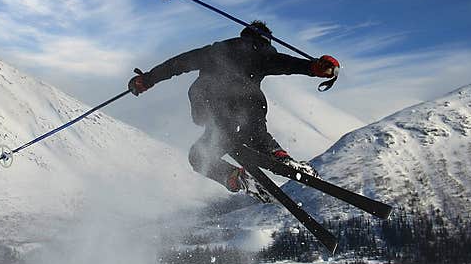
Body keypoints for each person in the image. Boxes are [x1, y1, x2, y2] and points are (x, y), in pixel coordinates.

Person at [127, 21, 340, 202]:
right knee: (257, 135)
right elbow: (286, 64)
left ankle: (236, 178)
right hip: (249, 103)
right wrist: (314, 68)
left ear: (245, 34)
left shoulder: (215, 50)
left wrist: (147, 79)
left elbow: (178, 64)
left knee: (199, 156)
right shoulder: (263, 54)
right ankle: (283, 159)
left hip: (210, 101)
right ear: (266, 41)